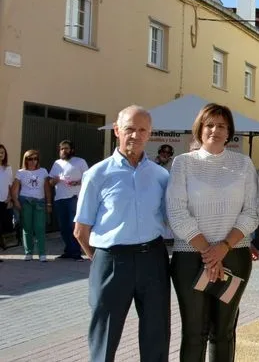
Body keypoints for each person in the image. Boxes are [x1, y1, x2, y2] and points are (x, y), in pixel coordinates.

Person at [74, 105, 171, 362]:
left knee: (156, 333)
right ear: (117, 130)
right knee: (104, 337)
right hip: (112, 261)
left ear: (150, 134)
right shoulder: (97, 174)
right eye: (129, 129)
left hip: (153, 260)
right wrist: (101, 259)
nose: (135, 135)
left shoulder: (161, 175)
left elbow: (170, 218)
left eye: (142, 130)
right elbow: (81, 230)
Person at [166, 103, 259, 362]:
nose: (215, 130)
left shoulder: (243, 164)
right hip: (191, 258)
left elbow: (251, 212)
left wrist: (223, 248)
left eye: (221, 126)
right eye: (209, 125)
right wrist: (209, 252)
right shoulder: (183, 163)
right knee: (194, 331)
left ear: (229, 132)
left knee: (223, 331)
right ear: (199, 129)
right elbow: (176, 212)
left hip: (234, 256)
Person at [48, 140, 89, 260]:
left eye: (66, 148)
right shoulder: (57, 163)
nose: (63, 151)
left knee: (73, 226)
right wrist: (54, 181)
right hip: (60, 198)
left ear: (72, 150)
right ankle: (68, 251)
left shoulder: (80, 162)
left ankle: (76, 252)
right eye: (62, 149)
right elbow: (50, 182)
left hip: (74, 198)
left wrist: (77, 182)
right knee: (63, 227)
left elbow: (88, 178)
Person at [10, 149, 51, 261]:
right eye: (30, 159)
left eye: (35, 159)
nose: (33, 161)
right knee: (27, 228)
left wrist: (49, 203)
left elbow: (47, 188)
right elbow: (14, 188)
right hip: (25, 202)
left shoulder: (43, 171)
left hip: (40, 202)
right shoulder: (21, 172)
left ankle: (42, 253)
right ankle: (28, 252)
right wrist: (16, 201)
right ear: (26, 160)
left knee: (40, 228)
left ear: (38, 160)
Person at [0, 144, 13, 251]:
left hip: (3, 201)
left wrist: (9, 198)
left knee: (2, 226)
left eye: (2, 152)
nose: (0, 154)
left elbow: (10, 185)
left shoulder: (8, 168)